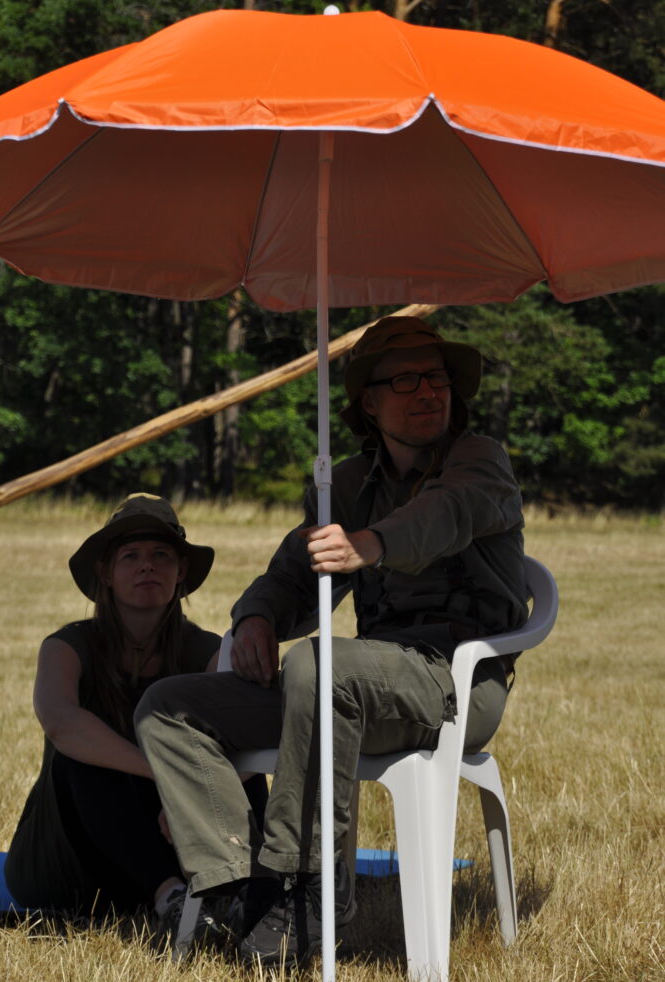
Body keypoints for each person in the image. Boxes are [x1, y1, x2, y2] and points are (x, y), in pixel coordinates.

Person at [134, 316, 528, 967]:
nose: (429, 391)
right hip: (348, 686)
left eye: (437, 377)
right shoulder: (343, 485)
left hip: (455, 683)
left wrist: (371, 544)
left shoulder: (480, 460)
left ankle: (309, 891)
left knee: (318, 665)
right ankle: (239, 885)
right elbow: (294, 571)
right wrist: (257, 617)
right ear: (369, 403)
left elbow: (446, 515)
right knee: (169, 707)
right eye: (406, 380)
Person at [4, 492, 267, 941]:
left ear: (180, 572)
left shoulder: (207, 650)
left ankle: (253, 894)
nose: (147, 566)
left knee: (248, 764)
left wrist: (188, 794)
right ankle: (171, 900)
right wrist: (172, 781)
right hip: (73, 865)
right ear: (106, 573)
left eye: (161, 555)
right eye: (131, 555)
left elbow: (249, 739)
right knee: (81, 760)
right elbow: (62, 724)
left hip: (175, 843)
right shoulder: (65, 647)